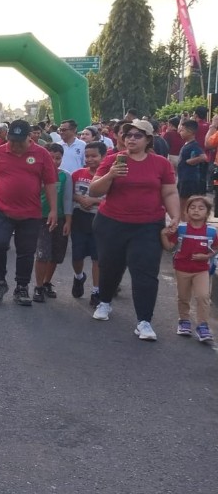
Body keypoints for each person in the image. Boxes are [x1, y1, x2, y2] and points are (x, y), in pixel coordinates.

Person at [88, 119, 180, 341]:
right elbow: (94, 190)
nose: (131, 139)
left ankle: (144, 321)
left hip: (148, 225)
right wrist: (111, 175)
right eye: (127, 135)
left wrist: (176, 216)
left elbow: (169, 192)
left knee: (145, 272)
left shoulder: (161, 164)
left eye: (137, 135)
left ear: (148, 139)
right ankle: (104, 301)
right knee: (110, 265)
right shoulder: (112, 160)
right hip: (111, 223)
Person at [0, 120, 58, 306]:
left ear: (29, 137)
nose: (15, 145)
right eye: (12, 140)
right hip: (1, 209)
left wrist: (53, 210)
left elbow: (50, 183)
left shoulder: (42, 154)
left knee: (26, 252)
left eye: (19, 141)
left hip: (30, 213)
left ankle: (22, 286)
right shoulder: (0, 152)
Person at [160, 195, 215, 343]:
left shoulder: (212, 231)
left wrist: (207, 256)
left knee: (203, 296)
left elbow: (215, 248)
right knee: (183, 297)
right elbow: (169, 247)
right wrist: (163, 235)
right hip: (182, 269)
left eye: (201, 208)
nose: (196, 210)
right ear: (186, 211)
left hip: (201, 269)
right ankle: (184, 321)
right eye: (193, 207)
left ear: (207, 212)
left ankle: (203, 325)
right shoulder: (181, 229)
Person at [32, 144, 73, 303]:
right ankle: (38, 286)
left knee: (56, 254)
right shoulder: (36, 174)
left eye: (58, 158)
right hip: (41, 218)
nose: (54, 161)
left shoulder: (65, 176)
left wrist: (68, 221)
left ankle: (46, 282)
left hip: (60, 218)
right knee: (42, 253)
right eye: (51, 158)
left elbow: (68, 199)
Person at [70, 141, 106, 306]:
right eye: (87, 156)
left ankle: (96, 290)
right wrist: (80, 199)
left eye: (94, 156)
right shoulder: (77, 174)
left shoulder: (107, 177)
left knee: (97, 257)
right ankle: (79, 277)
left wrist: (94, 201)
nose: (90, 159)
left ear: (103, 157)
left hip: (100, 220)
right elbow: (69, 195)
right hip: (79, 219)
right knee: (77, 255)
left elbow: (113, 200)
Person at [176, 120, 208, 213]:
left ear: (190, 132)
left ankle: (185, 220)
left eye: (182, 130)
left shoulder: (194, 145)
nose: (180, 132)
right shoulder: (187, 144)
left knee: (184, 203)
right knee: (181, 202)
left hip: (189, 179)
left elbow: (203, 157)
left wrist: (190, 161)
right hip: (183, 178)